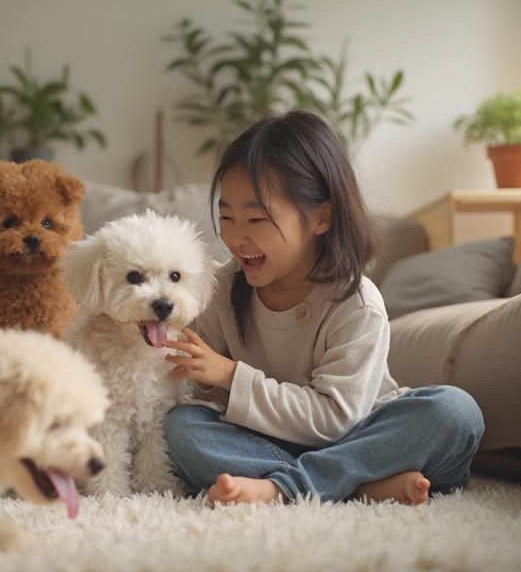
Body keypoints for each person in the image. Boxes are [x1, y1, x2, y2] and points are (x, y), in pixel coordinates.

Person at [162, 110, 484, 505]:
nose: (235, 237)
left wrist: (231, 375)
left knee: (455, 413)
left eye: (256, 219)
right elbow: (193, 386)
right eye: (226, 217)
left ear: (321, 217)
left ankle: (285, 487)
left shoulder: (356, 303)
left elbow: (335, 419)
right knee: (180, 429)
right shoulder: (222, 288)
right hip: (269, 441)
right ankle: (358, 485)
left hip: (360, 435)